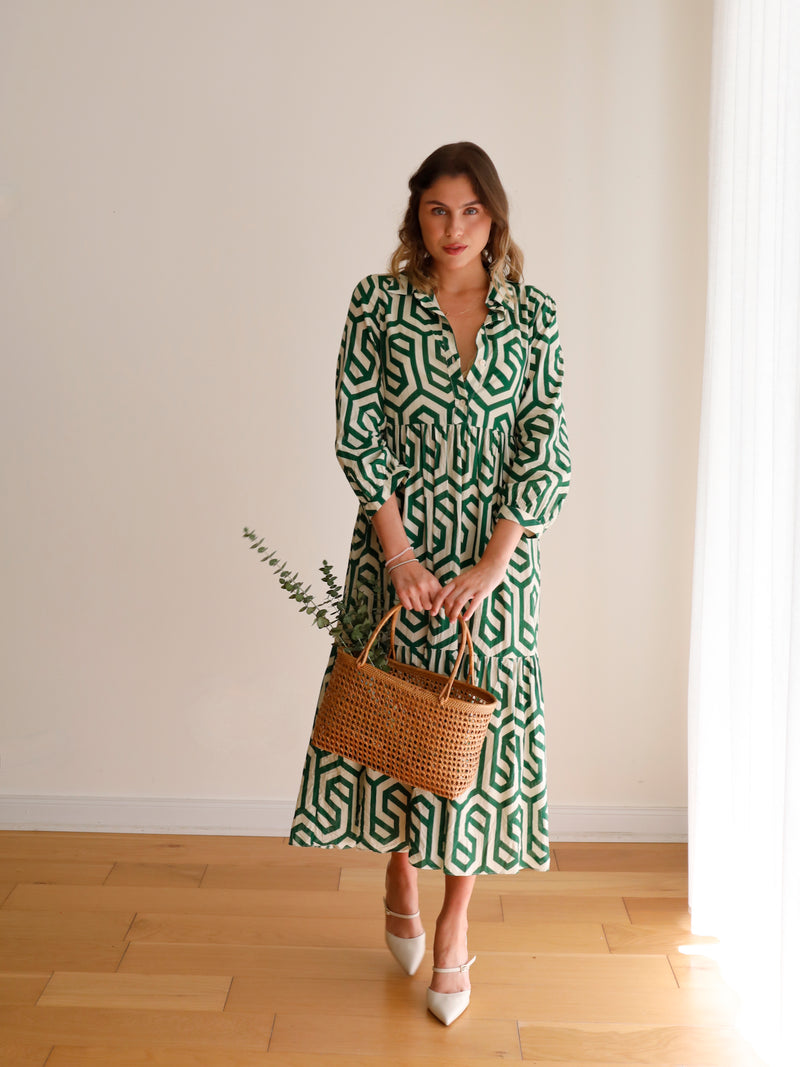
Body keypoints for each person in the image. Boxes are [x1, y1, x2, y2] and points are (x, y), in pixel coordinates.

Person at [289, 142, 571, 1025]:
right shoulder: (377, 305)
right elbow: (357, 425)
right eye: (438, 210)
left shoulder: (534, 318)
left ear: (496, 217)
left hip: (494, 565)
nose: (454, 229)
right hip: (396, 550)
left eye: (471, 211)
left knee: (470, 744)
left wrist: (492, 565)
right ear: (416, 213)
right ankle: (400, 866)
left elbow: (543, 444)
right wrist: (400, 553)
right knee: (399, 721)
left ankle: (454, 926)